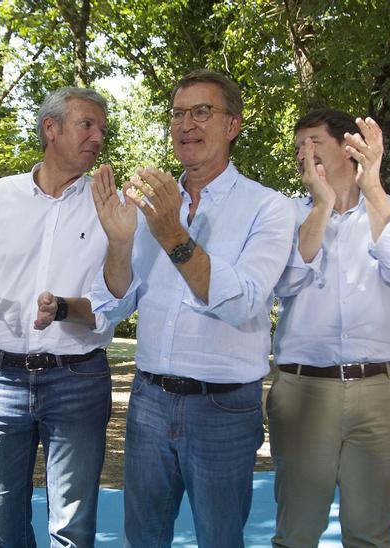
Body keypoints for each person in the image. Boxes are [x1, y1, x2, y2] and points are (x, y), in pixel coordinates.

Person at [89, 69, 295, 547]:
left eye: (203, 112)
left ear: (233, 125)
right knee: (143, 538)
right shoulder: (148, 204)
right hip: (149, 402)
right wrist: (120, 242)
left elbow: (243, 302)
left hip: (223, 406)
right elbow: (115, 305)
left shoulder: (269, 208)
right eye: (179, 114)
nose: (187, 124)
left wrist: (172, 233)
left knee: (220, 539)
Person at [0, 86, 118, 548]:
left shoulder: (110, 205)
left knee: (73, 528)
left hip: (78, 380)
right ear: (51, 128)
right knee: (4, 523)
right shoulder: (0, 195)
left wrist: (68, 307)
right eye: (87, 124)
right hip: (0, 380)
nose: (98, 136)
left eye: (102, 128)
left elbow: (116, 297)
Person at [268, 108, 390, 548]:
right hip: (303, 390)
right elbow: (286, 280)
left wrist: (372, 187)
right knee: (296, 531)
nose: (303, 153)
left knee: (369, 533)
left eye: (313, 142)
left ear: (348, 148)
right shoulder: (287, 212)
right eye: (298, 146)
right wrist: (322, 205)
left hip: (384, 391)